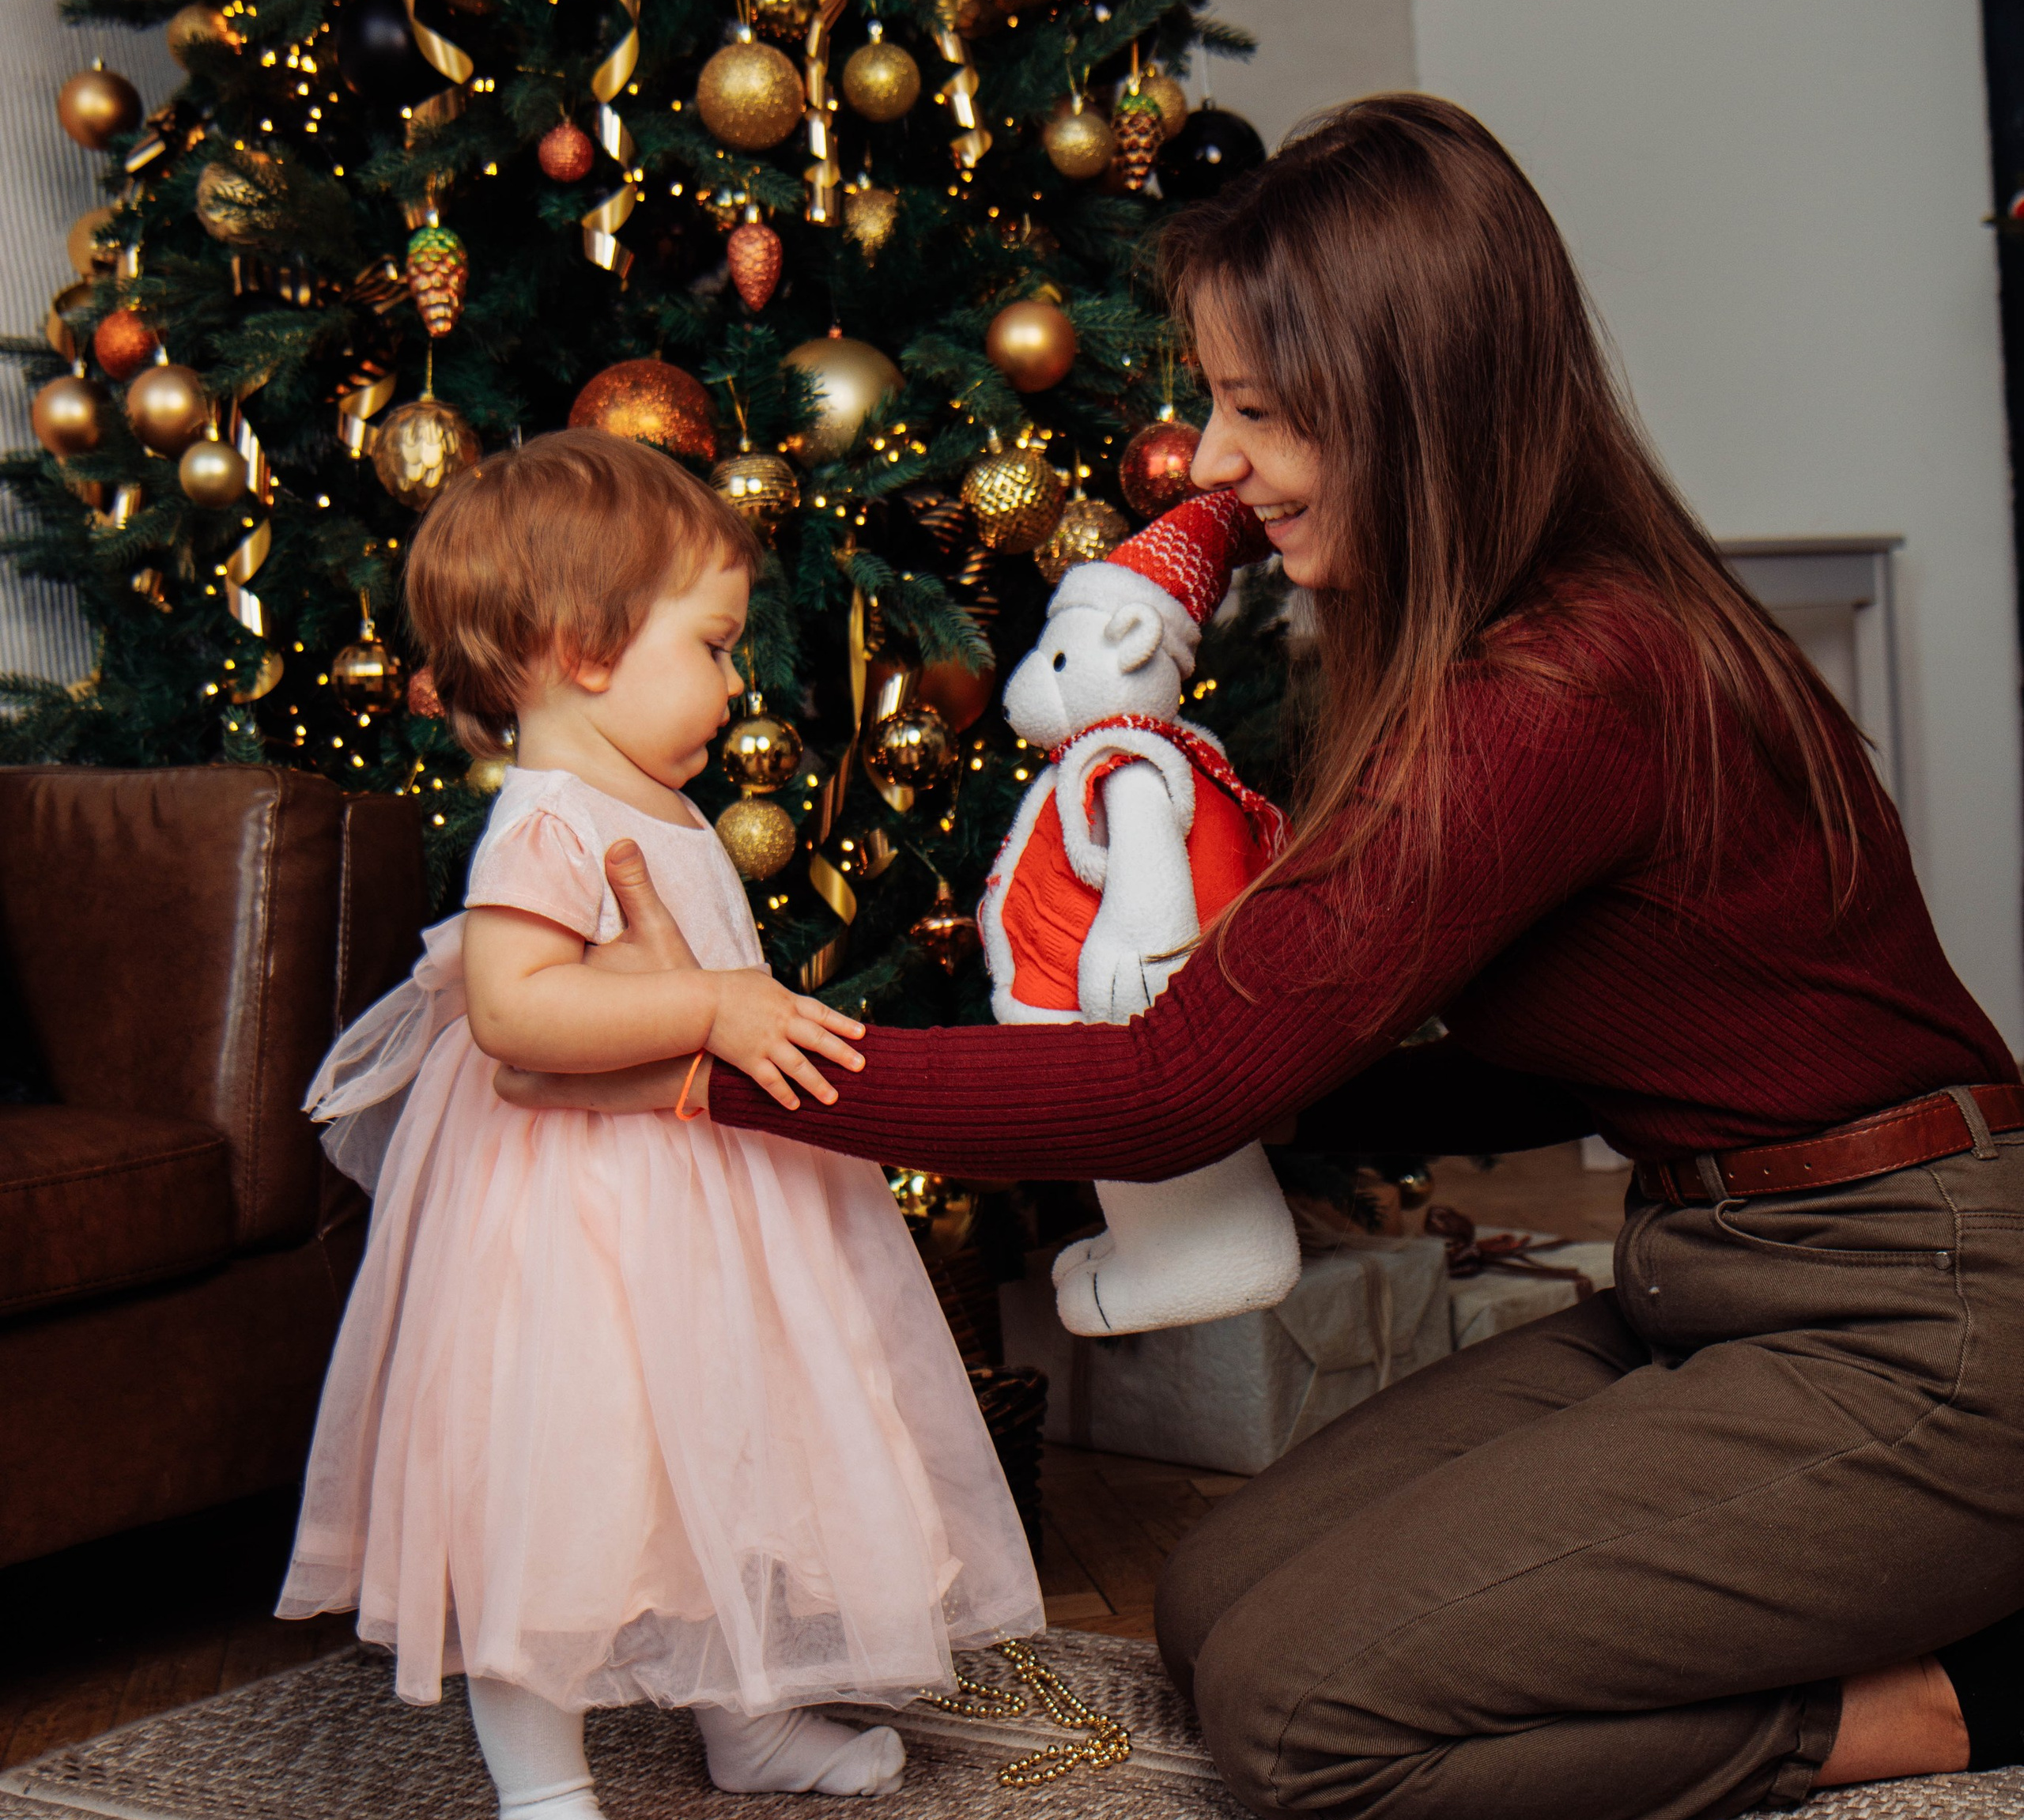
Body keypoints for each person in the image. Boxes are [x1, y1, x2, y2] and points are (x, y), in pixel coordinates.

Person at [500, 96, 2024, 1820]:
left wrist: (714, 1059)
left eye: (1257, 410)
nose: (1208, 463)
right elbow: (1460, 1042)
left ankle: (1940, 1699)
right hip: (1708, 1280)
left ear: (1410, 411)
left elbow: (1172, 1088)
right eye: (1209, 401)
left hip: (1917, 1325)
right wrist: (1270, 1035)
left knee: (1309, 1724)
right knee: (1219, 1611)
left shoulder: (1563, 684)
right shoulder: (1494, 648)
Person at [278, 432, 1044, 1820]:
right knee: (563, 1485)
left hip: (708, 1198)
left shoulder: (669, 809)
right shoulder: (548, 819)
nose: (738, 678)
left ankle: (748, 1719)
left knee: (731, 1453)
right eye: (713, 643)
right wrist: (710, 1003)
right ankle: (544, 1782)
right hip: (575, 1220)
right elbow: (515, 1016)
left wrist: (717, 1010)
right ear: (584, 645)